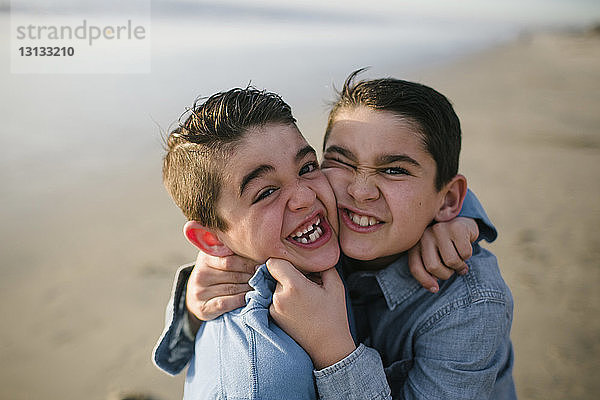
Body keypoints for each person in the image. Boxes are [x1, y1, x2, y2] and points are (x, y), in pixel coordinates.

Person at [155, 72, 515, 399]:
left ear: (449, 200)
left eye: (393, 170)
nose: (360, 191)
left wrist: (334, 351)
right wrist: (197, 299)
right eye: (339, 162)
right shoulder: (319, 233)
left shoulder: (471, 304)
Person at [158, 87, 349, 399]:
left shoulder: (308, 249)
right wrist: (337, 355)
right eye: (266, 192)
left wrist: (455, 224)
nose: (305, 197)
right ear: (211, 239)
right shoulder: (259, 381)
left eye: (307, 168)